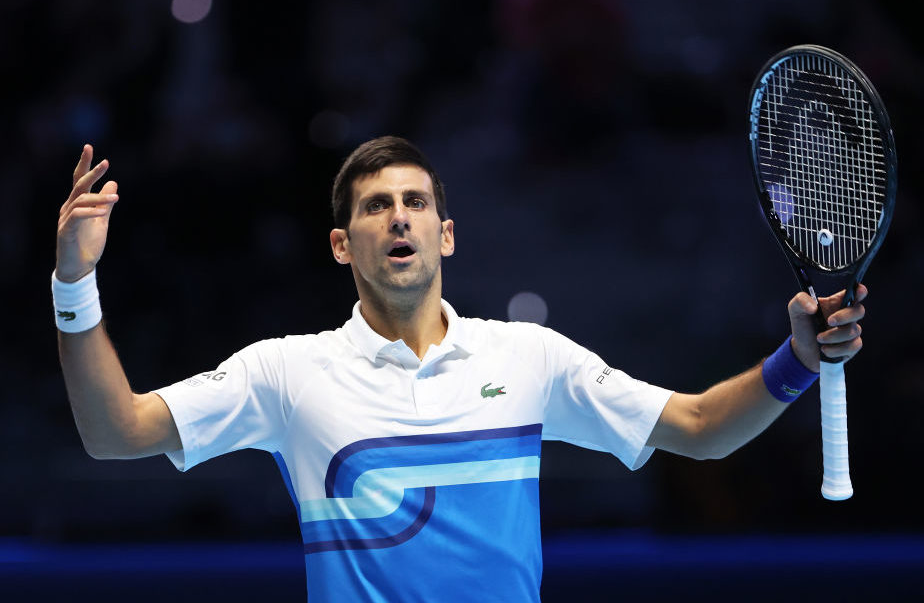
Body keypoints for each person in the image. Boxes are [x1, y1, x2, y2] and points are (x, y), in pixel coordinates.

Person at [54, 136, 866, 602]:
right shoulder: (285, 374)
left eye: (415, 203)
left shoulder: (528, 358)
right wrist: (74, 283)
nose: (398, 217)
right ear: (344, 246)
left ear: (446, 234)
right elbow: (113, 432)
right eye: (376, 206)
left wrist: (795, 360)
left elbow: (698, 430)